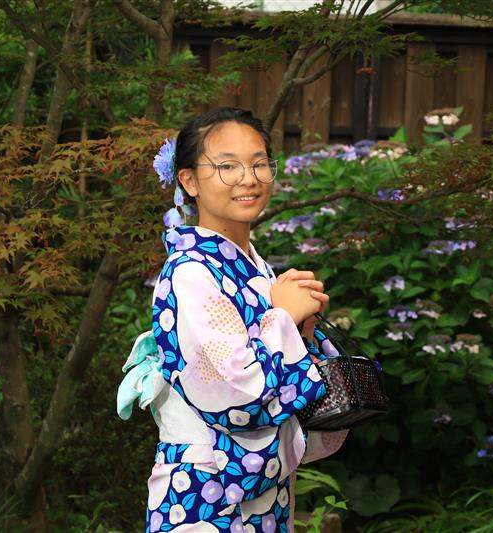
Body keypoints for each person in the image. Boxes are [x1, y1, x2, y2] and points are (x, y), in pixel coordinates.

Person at [117, 107, 347, 533]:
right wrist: (283, 317)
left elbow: (285, 376)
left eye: (259, 163)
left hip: (262, 491)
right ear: (189, 181)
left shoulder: (257, 268)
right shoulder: (190, 272)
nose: (248, 178)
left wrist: (302, 328)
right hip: (204, 489)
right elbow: (236, 394)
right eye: (227, 166)